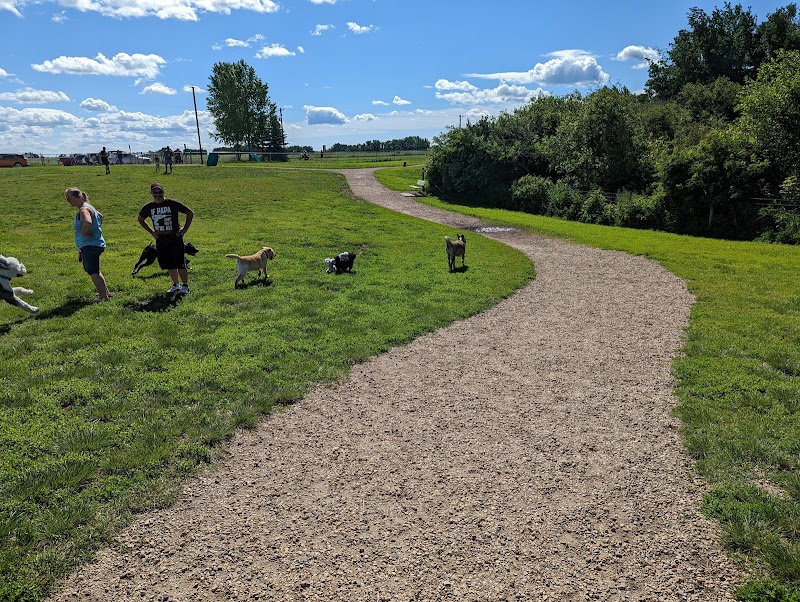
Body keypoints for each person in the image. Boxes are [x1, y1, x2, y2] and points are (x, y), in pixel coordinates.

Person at [137, 183, 193, 294]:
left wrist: (184, 229)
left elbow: (189, 213)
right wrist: (152, 232)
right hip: (161, 239)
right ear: (151, 193)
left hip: (175, 237)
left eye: (160, 192)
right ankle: (176, 285)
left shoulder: (172, 203)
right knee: (169, 264)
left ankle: (185, 286)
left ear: (163, 192)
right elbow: (140, 219)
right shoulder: (149, 207)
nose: (158, 194)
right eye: (155, 192)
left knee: (180, 263)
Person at [65, 187, 112, 302]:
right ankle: (105, 292)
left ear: (76, 197)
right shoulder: (89, 206)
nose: (68, 201)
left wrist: (84, 232)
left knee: (93, 272)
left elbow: (87, 222)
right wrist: (96, 230)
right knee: (94, 270)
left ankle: (103, 297)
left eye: (68, 198)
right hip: (94, 244)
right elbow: (100, 217)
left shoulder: (83, 210)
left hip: (90, 245)